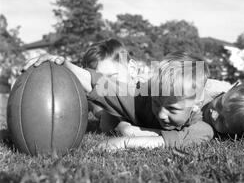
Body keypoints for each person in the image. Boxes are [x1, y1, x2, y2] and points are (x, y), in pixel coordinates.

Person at [23, 50, 232, 150]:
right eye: (157, 103)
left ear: (196, 103)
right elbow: (100, 84)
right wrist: (64, 64)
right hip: (128, 101)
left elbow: (164, 143)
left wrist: (123, 142)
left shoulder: (203, 129)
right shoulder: (142, 97)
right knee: (105, 114)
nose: (161, 113)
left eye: (171, 108)